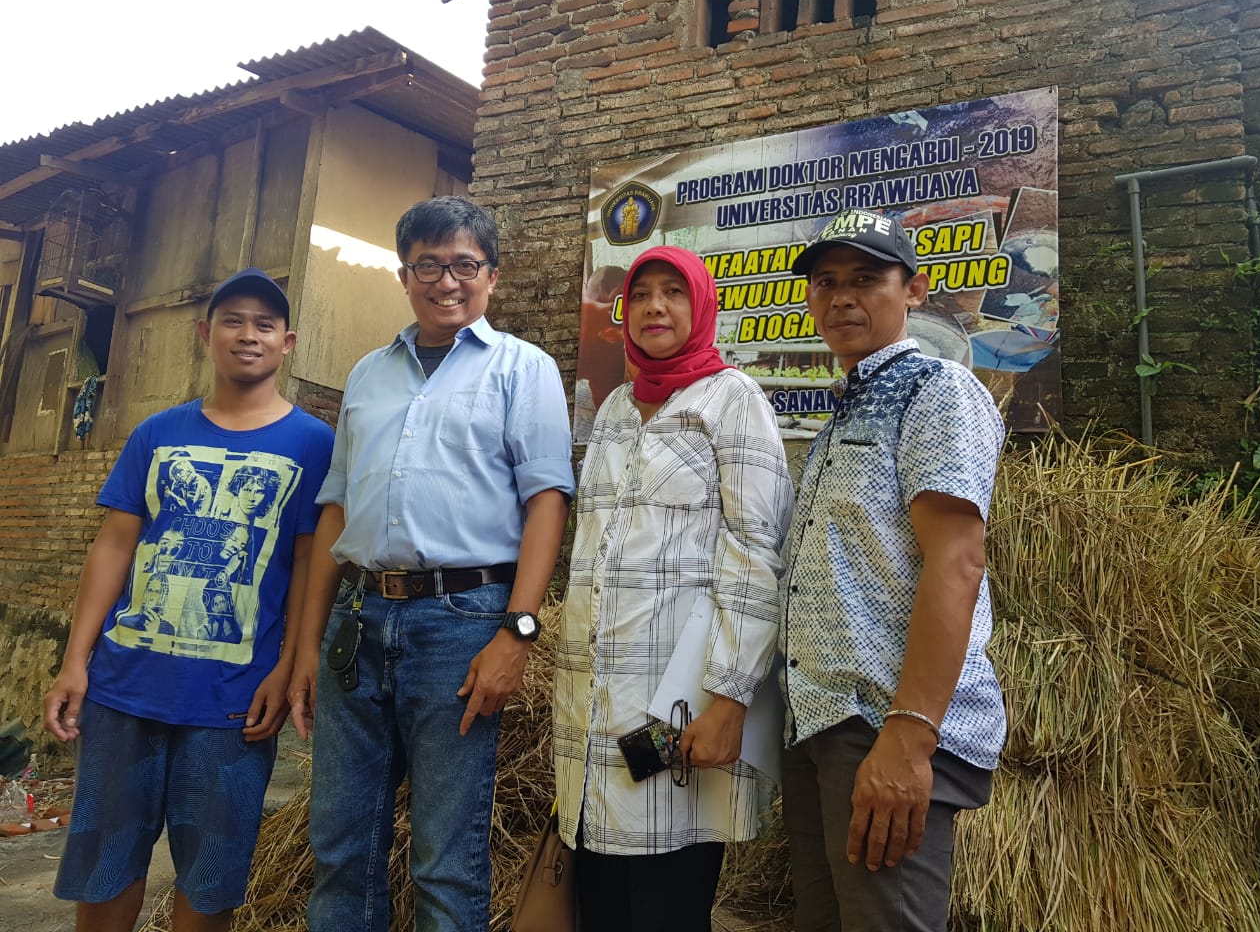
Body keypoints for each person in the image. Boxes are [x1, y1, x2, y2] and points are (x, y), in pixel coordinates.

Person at [288, 196, 574, 932]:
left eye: (464, 266)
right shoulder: (368, 374)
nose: (447, 282)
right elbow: (336, 510)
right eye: (429, 266)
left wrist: (517, 632)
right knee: (341, 847)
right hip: (357, 619)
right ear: (404, 274)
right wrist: (308, 647)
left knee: (446, 859)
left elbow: (547, 502)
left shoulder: (523, 368)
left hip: (462, 625)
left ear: (492, 276)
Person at [42, 267, 334, 932]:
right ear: (207, 334)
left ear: (287, 342)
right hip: (125, 686)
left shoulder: (314, 444)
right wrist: (74, 661)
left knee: (211, 881)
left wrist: (289, 665)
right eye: (233, 320)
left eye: (265, 325)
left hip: (233, 699)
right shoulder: (157, 434)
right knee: (107, 865)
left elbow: (312, 566)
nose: (248, 336)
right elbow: (114, 546)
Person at [777, 208, 1006, 932]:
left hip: (881, 723)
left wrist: (909, 736)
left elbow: (958, 559)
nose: (843, 297)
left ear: (914, 289)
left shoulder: (935, 389)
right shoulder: (842, 412)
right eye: (826, 281)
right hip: (820, 719)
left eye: (867, 278)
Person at [555, 245, 794, 932]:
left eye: (674, 292)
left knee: (665, 899)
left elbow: (758, 550)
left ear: (701, 306)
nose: (655, 307)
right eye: (642, 294)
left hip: (679, 705)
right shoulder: (617, 409)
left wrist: (730, 697)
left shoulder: (732, 399)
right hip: (593, 705)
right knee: (598, 895)